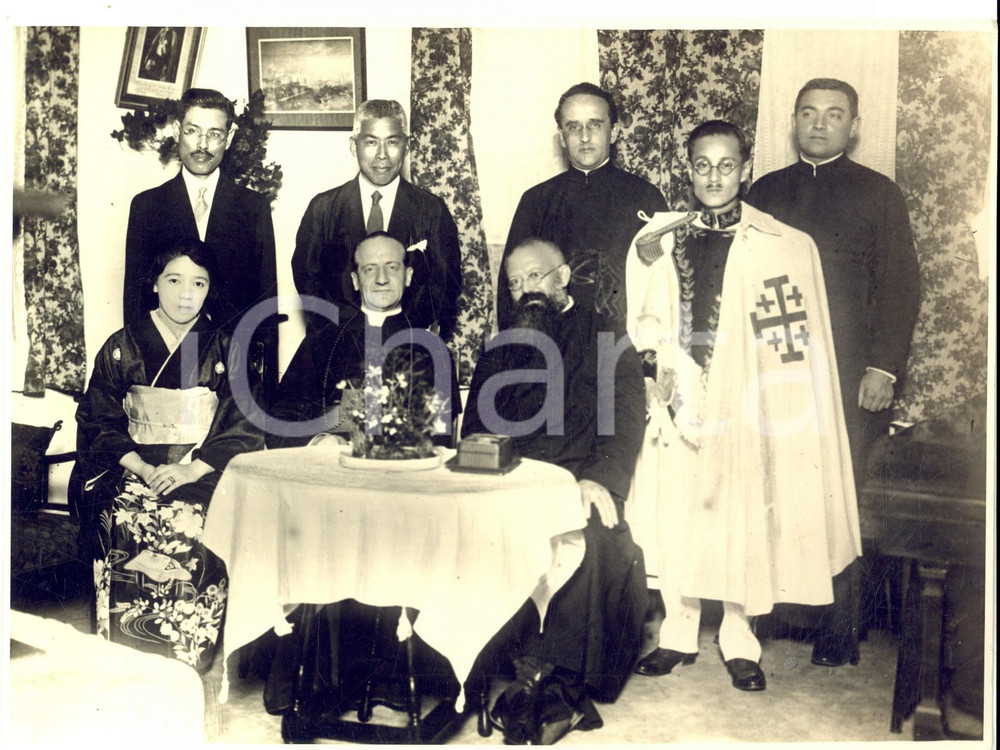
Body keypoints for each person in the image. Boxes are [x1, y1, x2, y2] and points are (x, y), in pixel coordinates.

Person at [624, 120, 861, 691]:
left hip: (745, 397)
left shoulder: (779, 243)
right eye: (702, 165)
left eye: (726, 165)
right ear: (688, 168)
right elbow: (648, 317)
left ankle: (738, 637)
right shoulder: (663, 239)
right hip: (679, 395)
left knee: (739, 515)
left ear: (744, 168)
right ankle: (678, 632)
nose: (713, 176)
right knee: (676, 510)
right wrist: (660, 370)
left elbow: (791, 342)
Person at [746, 78, 921, 666]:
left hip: (852, 373)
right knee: (775, 488)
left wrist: (884, 368)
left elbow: (901, 287)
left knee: (837, 495)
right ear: (793, 121)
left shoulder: (879, 194)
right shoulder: (765, 191)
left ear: (854, 126)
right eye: (808, 113)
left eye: (834, 114)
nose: (819, 124)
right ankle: (774, 612)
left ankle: (840, 629)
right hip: (776, 370)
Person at [262, 232, 460, 714]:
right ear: (354, 278)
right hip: (332, 477)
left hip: (401, 484)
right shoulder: (326, 340)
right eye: (369, 269)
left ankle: (391, 667)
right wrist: (322, 431)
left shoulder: (431, 346)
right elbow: (281, 414)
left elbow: (440, 432)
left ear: (409, 275)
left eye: (392, 267)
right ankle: (307, 664)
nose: (381, 277)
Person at [462, 238, 648, 712]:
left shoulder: (607, 337)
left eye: (535, 277)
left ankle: (553, 679)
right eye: (515, 283)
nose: (526, 290)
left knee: (594, 543)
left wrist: (600, 479)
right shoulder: (501, 349)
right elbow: (477, 434)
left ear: (563, 277)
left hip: (577, 481)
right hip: (511, 485)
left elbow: (624, 421)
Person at [76, 239, 264, 671]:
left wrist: (190, 468)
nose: (185, 293)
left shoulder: (226, 347)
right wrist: (141, 466)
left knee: (195, 521)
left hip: (201, 470)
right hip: (131, 467)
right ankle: (122, 653)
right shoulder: (122, 345)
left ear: (209, 289)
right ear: (154, 285)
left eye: (198, 283)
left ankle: (186, 658)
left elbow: (243, 422)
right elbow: (97, 419)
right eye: (174, 280)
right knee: (121, 515)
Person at [123, 87, 279, 395]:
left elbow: (266, 304)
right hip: (163, 372)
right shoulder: (147, 207)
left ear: (229, 138)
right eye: (193, 131)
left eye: (215, 134)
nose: (203, 145)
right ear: (177, 131)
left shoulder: (253, 208)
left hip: (233, 376)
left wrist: (265, 392)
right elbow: (135, 302)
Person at [498, 82, 667, 329]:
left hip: (624, 341)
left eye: (595, 125)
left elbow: (663, 285)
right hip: (552, 342)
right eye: (574, 127)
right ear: (562, 138)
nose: (585, 137)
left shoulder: (646, 198)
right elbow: (510, 288)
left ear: (615, 132)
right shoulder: (536, 201)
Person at [292, 99, 462, 340]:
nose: (382, 155)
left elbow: (446, 285)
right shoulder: (323, 208)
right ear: (354, 146)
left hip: (408, 343)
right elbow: (307, 280)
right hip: (336, 341)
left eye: (392, 142)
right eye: (371, 142)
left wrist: (396, 331)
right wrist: (353, 332)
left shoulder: (432, 210)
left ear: (407, 146)